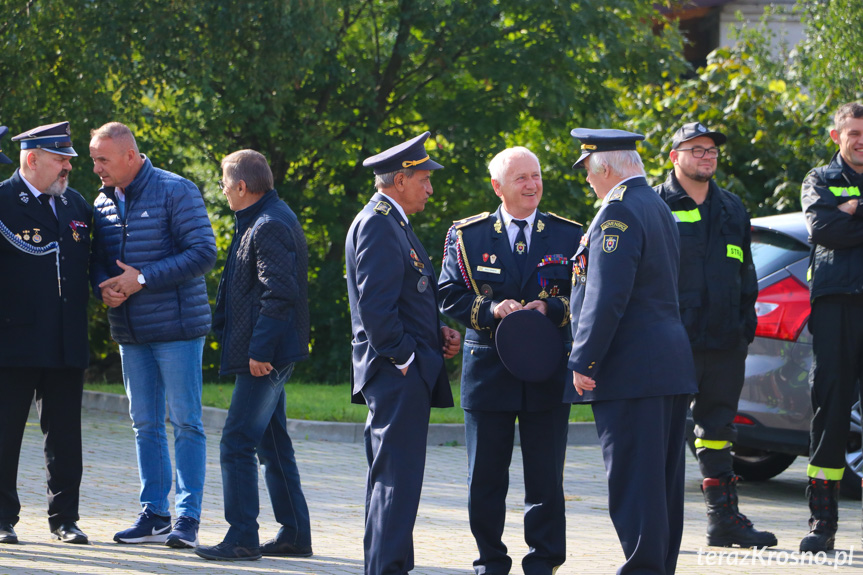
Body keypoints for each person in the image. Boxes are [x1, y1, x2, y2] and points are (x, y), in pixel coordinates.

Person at [437, 146, 581, 575]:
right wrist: (491, 309)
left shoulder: (569, 235)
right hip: (489, 371)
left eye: (536, 175)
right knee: (484, 480)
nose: (532, 185)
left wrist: (552, 311)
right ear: (498, 187)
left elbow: (586, 294)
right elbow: (448, 293)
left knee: (546, 480)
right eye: (521, 178)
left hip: (546, 370)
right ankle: (491, 561)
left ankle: (543, 562)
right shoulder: (468, 236)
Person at [566, 128, 697, 575]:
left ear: (604, 168)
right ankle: (657, 567)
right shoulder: (656, 205)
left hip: (632, 369)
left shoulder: (618, 213)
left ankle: (643, 569)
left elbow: (607, 296)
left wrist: (584, 359)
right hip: (665, 365)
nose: (587, 181)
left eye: (587, 171)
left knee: (635, 484)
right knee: (660, 485)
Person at [89, 122, 216, 548]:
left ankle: (188, 518)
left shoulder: (176, 190)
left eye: (102, 160)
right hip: (130, 330)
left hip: (177, 329)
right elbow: (99, 260)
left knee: (186, 423)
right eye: (93, 159)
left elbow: (203, 253)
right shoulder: (101, 201)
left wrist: (141, 279)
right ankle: (155, 514)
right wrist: (105, 288)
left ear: (130, 156)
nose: (96, 169)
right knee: (144, 424)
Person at [345, 131, 461, 575]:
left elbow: (407, 298)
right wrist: (406, 358)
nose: (430, 189)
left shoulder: (392, 221)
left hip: (400, 370)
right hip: (395, 374)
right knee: (396, 479)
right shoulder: (378, 222)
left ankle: (388, 565)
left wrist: (439, 334)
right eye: (424, 179)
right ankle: (387, 568)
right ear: (400, 179)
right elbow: (377, 309)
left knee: (394, 479)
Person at [654, 122, 775, 548]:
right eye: (697, 149)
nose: (707, 156)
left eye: (712, 151)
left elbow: (746, 272)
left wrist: (745, 327)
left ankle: (723, 520)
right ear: (675, 157)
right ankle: (652, 523)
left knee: (718, 430)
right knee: (662, 433)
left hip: (724, 341)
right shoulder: (655, 204)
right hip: (671, 341)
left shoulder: (732, 208)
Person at [195, 150, 313, 561]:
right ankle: (295, 534)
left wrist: (260, 350)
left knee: (237, 442)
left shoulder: (267, 225)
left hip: (267, 355)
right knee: (272, 441)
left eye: (225, 183)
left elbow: (279, 293)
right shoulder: (265, 217)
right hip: (270, 351)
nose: (223, 191)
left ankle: (242, 536)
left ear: (242, 186)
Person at [0, 122, 91, 544]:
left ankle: (65, 520)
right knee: (5, 433)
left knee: (66, 439)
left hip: (65, 340)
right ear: (32, 159)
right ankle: (2, 520)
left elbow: (96, 262)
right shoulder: (3, 201)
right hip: (13, 341)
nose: (68, 167)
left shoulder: (76, 205)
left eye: (69, 159)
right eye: (60, 159)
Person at [798, 102, 863, 553]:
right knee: (832, 412)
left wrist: (853, 211)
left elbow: (841, 226)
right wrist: (840, 214)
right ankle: (823, 523)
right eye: (853, 132)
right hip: (836, 306)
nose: (860, 140)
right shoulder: (819, 180)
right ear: (836, 136)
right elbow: (825, 229)